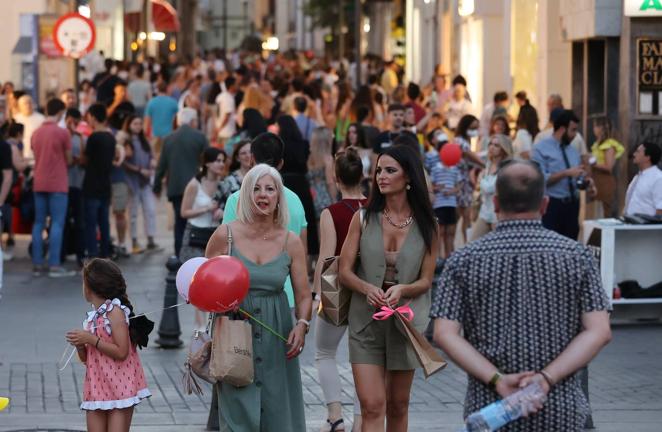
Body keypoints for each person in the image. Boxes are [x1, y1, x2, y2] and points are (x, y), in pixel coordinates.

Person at [431, 159, 612, 432]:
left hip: (491, 410)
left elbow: (444, 334)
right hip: (559, 408)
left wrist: (498, 380)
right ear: (544, 204)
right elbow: (599, 331)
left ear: (494, 204)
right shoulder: (577, 256)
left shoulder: (463, 260)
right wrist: (545, 379)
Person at [338, 145, 438, 431]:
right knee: (371, 405)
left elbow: (426, 280)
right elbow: (344, 271)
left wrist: (403, 290)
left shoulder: (428, 225)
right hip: (364, 322)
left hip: (404, 322)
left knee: (398, 406)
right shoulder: (363, 218)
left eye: (390, 170)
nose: (381, 176)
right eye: (379, 170)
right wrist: (366, 288)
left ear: (409, 177)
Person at [205, 164, 312, 432]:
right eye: (255, 188)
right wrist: (222, 302)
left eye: (269, 188)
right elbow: (203, 285)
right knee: (238, 412)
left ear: (279, 197)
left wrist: (302, 325)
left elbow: (303, 294)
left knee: (278, 411)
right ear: (245, 195)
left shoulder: (290, 241)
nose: (263, 195)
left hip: (278, 333)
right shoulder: (225, 235)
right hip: (235, 332)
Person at [222, 132, 308, 309]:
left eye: (270, 190)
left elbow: (225, 255)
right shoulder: (295, 200)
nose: (263, 197)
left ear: (251, 160)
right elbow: (302, 253)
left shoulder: (235, 200)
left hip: (243, 299)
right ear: (281, 163)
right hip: (288, 298)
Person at [313, 148, 366, 432]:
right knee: (364, 356)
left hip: (337, 290)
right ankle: (361, 420)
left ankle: (335, 416)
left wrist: (314, 294)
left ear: (335, 178)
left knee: (324, 351)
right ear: (364, 176)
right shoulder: (375, 210)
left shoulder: (331, 213)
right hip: (369, 288)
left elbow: (326, 256)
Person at [65, 258, 151, 432]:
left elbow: (122, 352)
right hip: (97, 387)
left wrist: (90, 339)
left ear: (90, 287)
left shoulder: (115, 312)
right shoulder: (93, 317)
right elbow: (87, 360)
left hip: (120, 386)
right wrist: (81, 345)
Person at [154, 108, 209, 257]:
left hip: (176, 187)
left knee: (179, 223)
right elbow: (208, 160)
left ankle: (179, 255)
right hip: (197, 186)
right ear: (192, 121)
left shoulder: (169, 139)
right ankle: (197, 254)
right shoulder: (200, 137)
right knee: (197, 222)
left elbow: (162, 165)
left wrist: (157, 185)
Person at [180, 147, 225, 329]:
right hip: (196, 234)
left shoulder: (224, 184)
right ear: (207, 163)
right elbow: (184, 212)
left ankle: (212, 320)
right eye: (217, 160)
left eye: (223, 161)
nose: (221, 164)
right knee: (197, 280)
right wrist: (207, 209)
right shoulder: (194, 184)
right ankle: (200, 325)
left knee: (214, 279)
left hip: (215, 235)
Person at [532, 110, 595, 240]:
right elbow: (540, 179)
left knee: (571, 245)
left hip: (572, 206)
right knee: (550, 246)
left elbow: (577, 179)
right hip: (551, 206)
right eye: (573, 130)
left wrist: (587, 183)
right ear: (562, 129)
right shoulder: (540, 149)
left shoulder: (573, 151)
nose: (576, 134)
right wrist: (566, 173)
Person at [30, 99, 75, 277]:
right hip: (57, 183)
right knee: (57, 223)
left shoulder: (36, 132)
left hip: (39, 181)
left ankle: (37, 262)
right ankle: (54, 264)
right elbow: (70, 158)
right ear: (61, 112)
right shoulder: (63, 133)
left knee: (39, 223)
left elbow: (35, 153)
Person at [278, 115, 319, 257]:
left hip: (284, 182)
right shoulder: (303, 144)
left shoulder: (280, 145)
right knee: (304, 218)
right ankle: (308, 253)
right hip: (301, 183)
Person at [82, 104, 116, 259]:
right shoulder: (110, 138)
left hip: (91, 185)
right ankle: (105, 253)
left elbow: (85, 160)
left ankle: (93, 253)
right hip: (105, 185)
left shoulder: (93, 138)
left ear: (93, 118)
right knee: (104, 222)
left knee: (91, 223)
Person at [121, 115, 159, 254]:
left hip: (146, 181)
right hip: (132, 182)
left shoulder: (145, 141)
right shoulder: (126, 141)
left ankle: (150, 239)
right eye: (135, 123)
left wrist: (152, 163)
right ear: (129, 125)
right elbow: (123, 161)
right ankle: (134, 240)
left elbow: (152, 156)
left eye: (139, 124)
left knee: (150, 210)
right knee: (133, 213)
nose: (138, 126)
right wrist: (138, 170)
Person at [470, 134, 513, 241]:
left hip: (499, 214)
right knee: (473, 244)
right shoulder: (487, 165)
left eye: (496, 145)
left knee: (499, 247)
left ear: (503, 149)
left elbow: (494, 189)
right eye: (490, 144)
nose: (492, 147)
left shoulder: (507, 168)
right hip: (485, 212)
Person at [453, 115, 486, 244]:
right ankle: (464, 243)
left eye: (477, 128)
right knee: (462, 215)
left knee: (465, 215)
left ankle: (465, 242)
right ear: (465, 126)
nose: (475, 131)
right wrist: (487, 165)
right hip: (459, 182)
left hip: (465, 182)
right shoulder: (460, 141)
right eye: (473, 128)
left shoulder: (466, 141)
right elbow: (473, 158)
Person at [63, 108, 86, 267]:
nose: (74, 125)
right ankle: (62, 252)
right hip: (63, 184)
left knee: (79, 221)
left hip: (77, 183)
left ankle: (79, 254)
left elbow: (84, 159)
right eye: (72, 121)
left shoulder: (80, 138)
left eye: (76, 122)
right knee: (62, 220)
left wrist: (79, 160)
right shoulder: (61, 135)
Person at [429, 141, 460, 259]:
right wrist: (438, 188)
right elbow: (431, 186)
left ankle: (450, 257)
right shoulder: (436, 168)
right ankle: (439, 258)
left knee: (450, 232)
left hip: (451, 204)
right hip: (439, 204)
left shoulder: (455, 168)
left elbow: (458, 186)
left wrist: (453, 191)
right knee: (440, 232)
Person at [590, 117, 624, 217]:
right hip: (595, 179)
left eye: (596, 126)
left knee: (604, 213)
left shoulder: (609, 145)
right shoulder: (597, 144)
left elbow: (609, 166)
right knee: (596, 213)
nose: (594, 129)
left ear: (601, 128)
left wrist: (593, 164)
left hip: (604, 180)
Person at [624, 141, 662, 216]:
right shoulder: (638, 177)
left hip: (647, 226)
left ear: (647, 157)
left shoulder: (658, 178)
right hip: (630, 223)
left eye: (638, 152)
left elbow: (660, 209)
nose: (634, 154)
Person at [307, 127, 336, 219]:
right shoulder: (328, 159)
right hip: (324, 199)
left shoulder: (309, 159)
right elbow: (330, 182)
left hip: (311, 198)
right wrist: (335, 201)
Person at [144, 81, 179, 157]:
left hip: (155, 135)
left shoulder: (151, 102)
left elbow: (147, 121)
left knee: (156, 158)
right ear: (166, 89)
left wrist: (145, 136)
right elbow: (178, 119)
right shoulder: (173, 102)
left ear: (158, 90)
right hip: (169, 135)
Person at [216, 139, 251, 210]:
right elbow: (218, 203)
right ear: (237, 158)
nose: (248, 155)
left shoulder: (261, 177)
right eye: (243, 153)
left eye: (250, 152)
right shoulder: (229, 181)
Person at [13, 94, 44, 159]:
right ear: (19, 106)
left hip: (37, 154)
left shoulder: (41, 119)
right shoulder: (16, 119)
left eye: (30, 103)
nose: (28, 105)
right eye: (25, 103)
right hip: (20, 154)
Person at [215, 76, 238, 147]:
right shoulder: (229, 99)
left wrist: (217, 128)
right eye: (236, 84)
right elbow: (227, 116)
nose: (238, 86)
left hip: (220, 131)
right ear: (232, 86)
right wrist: (220, 128)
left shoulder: (220, 96)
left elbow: (216, 113)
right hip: (228, 133)